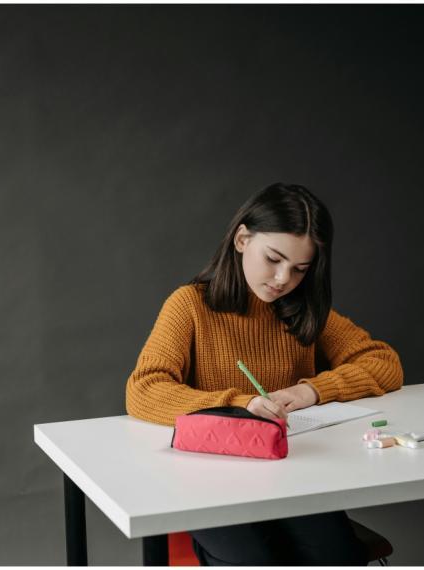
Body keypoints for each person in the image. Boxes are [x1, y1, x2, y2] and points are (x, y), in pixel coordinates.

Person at [125, 182, 404, 566]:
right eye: (273, 258)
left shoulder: (299, 310)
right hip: (208, 481)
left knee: (336, 556)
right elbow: (144, 389)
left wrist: (311, 391)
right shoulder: (190, 305)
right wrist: (240, 405)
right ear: (242, 239)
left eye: (299, 268)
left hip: (289, 473)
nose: (283, 278)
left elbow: (384, 362)